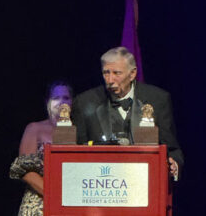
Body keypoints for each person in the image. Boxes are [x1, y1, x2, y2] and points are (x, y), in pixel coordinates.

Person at [71, 47, 184, 179]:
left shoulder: (157, 99)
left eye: (116, 73)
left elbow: (171, 149)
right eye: (106, 73)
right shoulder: (84, 102)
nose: (110, 80)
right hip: (101, 183)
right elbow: (77, 152)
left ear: (132, 74)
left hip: (145, 180)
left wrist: (174, 164)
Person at [10, 81, 73, 216]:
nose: (61, 102)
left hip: (69, 204)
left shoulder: (75, 130)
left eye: (66, 98)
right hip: (39, 202)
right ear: (47, 102)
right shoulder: (35, 128)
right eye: (56, 98)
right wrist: (54, 196)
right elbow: (26, 171)